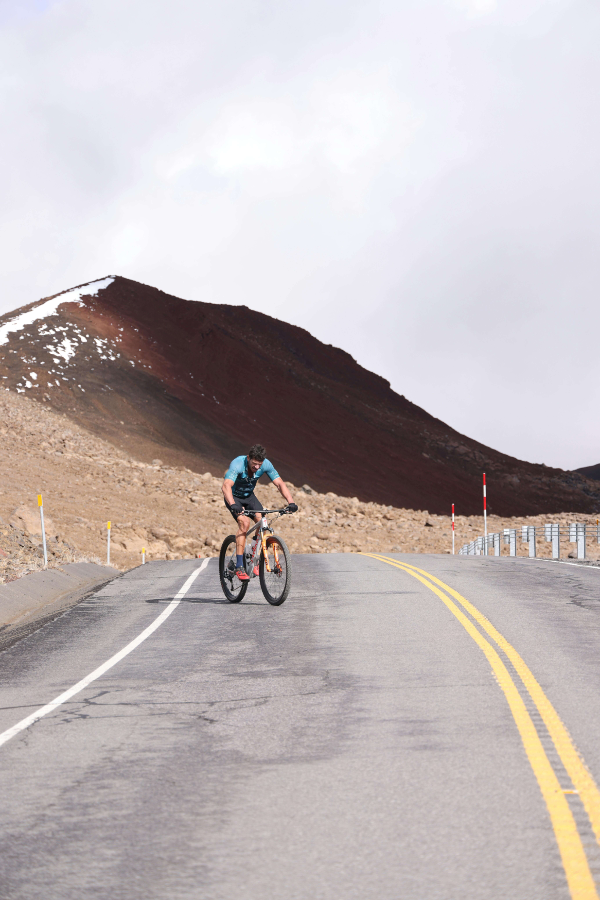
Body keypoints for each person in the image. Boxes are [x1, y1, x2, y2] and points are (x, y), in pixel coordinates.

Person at [222, 444, 297, 581]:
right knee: (244, 523)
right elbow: (226, 486)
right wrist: (233, 504)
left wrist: (290, 502)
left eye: (259, 464)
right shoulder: (238, 464)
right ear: (248, 458)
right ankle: (239, 566)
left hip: (249, 497)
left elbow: (279, 483)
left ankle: (252, 556)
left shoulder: (266, 464)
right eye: (254, 464)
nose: (257, 467)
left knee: (262, 520)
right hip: (234, 498)